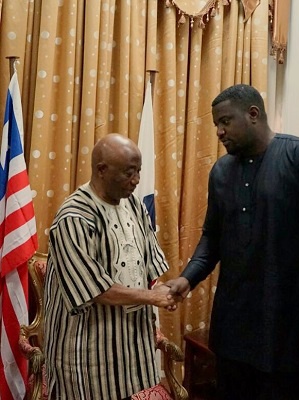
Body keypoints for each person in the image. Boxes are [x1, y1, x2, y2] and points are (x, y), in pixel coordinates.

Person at [166, 84, 299, 400]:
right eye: (216, 124)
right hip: (232, 331)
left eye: (225, 121)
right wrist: (188, 278)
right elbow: (212, 237)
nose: (219, 131)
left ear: (253, 114)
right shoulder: (221, 171)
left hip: (288, 330)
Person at [43, 133, 176, 400]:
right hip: (87, 353)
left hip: (131, 347)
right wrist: (153, 297)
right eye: (129, 173)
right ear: (101, 170)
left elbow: (149, 262)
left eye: (138, 171)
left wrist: (162, 288)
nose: (136, 180)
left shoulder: (135, 205)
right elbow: (95, 290)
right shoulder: (74, 217)